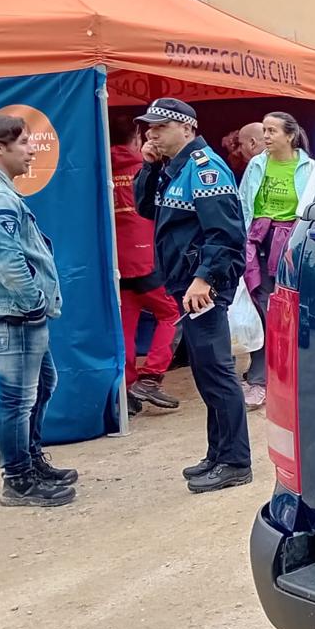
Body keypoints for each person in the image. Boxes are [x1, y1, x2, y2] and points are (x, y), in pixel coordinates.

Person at [0, 113, 79, 507]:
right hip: (14, 312)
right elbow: (9, 261)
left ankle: (31, 460)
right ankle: (19, 479)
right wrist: (34, 305)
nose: (31, 151)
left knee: (42, 386)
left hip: (13, 310)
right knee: (18, 398)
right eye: (24, 143)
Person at [132, 98, 252, 493]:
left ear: (186, 128)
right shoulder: (172, 168)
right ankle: (218, 453)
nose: (151, 134)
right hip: (186, 285)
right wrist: (149, 167)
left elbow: (226, 234)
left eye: (159, 127)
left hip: (203, 288)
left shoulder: (205, 170)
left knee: (217, 373)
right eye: (148, 128)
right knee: (204, 371)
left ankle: (235, 460)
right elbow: (146, 208)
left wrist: (205, 280)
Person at [237, 112, 313, 409]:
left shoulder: (309, 167)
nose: (266, 136)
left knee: (290, 310)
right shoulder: (256, 165)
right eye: (265, 130)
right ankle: (260, 380)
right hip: (260, 243)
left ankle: (293, 376)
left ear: (290, 136)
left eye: (272, 131)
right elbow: (244, 205)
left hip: (293, 246)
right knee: (262, 309)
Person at [110, 117, 181, 413]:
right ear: (137, 137)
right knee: (173, 313)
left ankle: (126, 390)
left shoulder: (100, 168)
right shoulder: (147, 167)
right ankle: (150, 377)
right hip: (147, 258)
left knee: (125, 325)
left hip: (116, 261)